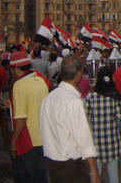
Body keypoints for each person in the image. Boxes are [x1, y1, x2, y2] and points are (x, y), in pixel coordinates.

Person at [40, 54, 101, 183]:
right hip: (71, 166)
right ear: (79, 74)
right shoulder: (73, 102)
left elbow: (44, 131)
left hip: (53, 163)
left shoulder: (49, 98)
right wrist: (94, 171)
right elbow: (84, 139)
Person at [9, 50, 50, 183]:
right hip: (43, 139)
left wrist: (13, 141)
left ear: (15, 68)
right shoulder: (41, 80)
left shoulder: (19, 86)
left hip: (28, 141)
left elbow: (21, 119)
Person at [84, 67, 121, 183]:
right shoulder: (114, 98)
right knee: (113, 171)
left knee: (96, 172)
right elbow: (120, 117)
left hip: (95, 143)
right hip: (113, 141)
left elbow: (86, 118)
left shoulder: (90, 98)